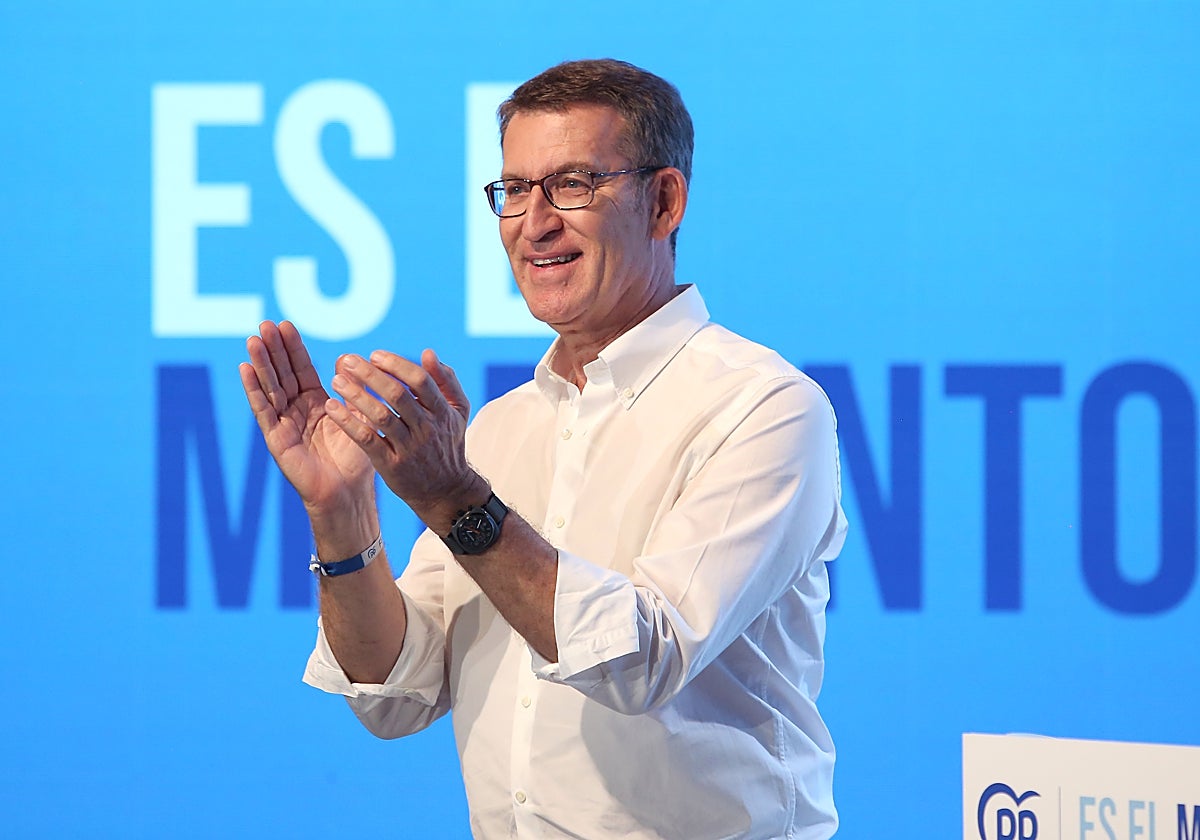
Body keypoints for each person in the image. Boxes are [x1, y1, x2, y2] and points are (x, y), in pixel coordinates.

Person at [240, 58, 847, 839]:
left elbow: (644, 661)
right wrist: (343, 510)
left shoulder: (762, 408)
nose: (535, 222)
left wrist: (456, 500)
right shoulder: (499, 428)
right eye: (515, 190)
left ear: (664, 202)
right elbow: (396, 692)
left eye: (572, 184)